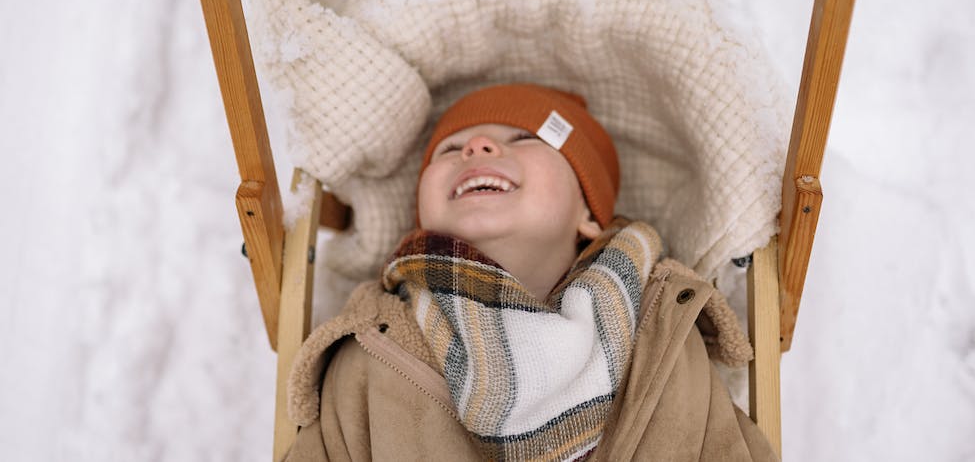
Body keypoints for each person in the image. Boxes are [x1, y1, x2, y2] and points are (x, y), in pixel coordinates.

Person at [282, 84, 777, 461]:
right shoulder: (373, 344)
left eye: (524, 138)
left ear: (588, 216)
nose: (475, 146)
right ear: (423, 217)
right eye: (449, 151)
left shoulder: (662, 328)